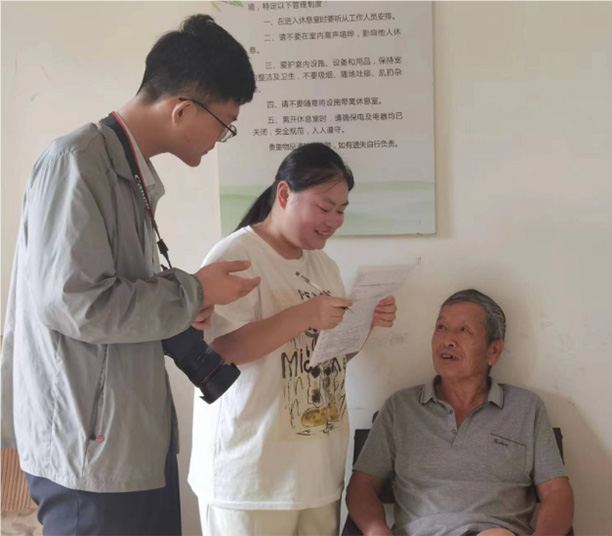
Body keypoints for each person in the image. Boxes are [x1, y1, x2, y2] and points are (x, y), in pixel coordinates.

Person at [1, 14, 260, 536]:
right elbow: (76, 305)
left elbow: (110, 301)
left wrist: (185, 305)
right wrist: (193, 291)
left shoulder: (120, 167)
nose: (223, 137)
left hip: (124, 441)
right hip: (89, 453)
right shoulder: (76, 162)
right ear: (183, 109)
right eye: (226, 123)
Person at [188, 142, 398, 536]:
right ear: (284, 194)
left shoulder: (324, 265)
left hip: (317, 474)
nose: (334, 221)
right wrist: (305, 314)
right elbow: (222, 352)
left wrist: (364, 324)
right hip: (251, 479)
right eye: (324, 207)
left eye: (341, 210)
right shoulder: (237, 255)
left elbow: (326, 358)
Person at [346, 289, 574, 536]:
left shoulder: (526, 408)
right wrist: (376, 530)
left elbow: (556, 492)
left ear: (494, 351)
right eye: (441, 327)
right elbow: (362, 486)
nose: (448, 340)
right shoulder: (400, 408)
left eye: (463, 330)